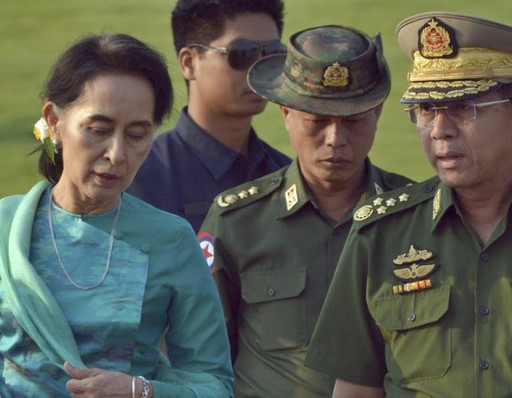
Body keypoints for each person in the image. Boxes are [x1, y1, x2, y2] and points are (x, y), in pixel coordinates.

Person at [305, 11, 512, 397]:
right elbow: (356, 388)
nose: (440, 130)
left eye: (464, 108)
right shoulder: (381, 232)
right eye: (426, 111)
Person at [0, 33, 233, 397]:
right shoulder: (6, 227)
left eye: (137, 135)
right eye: (98, 130)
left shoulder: (169, 240)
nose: (116, 154)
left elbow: (214, 386)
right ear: (54, 121)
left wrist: (140, 391)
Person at [199, 24, 414, 397]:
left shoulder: (415, 217)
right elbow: (202, 352)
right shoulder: (236, 221)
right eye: (317, 122)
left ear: (377, 114)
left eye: (353, 121)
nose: (335, 139)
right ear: (286, 112)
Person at [127, 0, 291, 232]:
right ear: (189, 63)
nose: (260, 69)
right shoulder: (138, 177)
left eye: (273, 53)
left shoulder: (288, 174)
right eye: (243, 54)